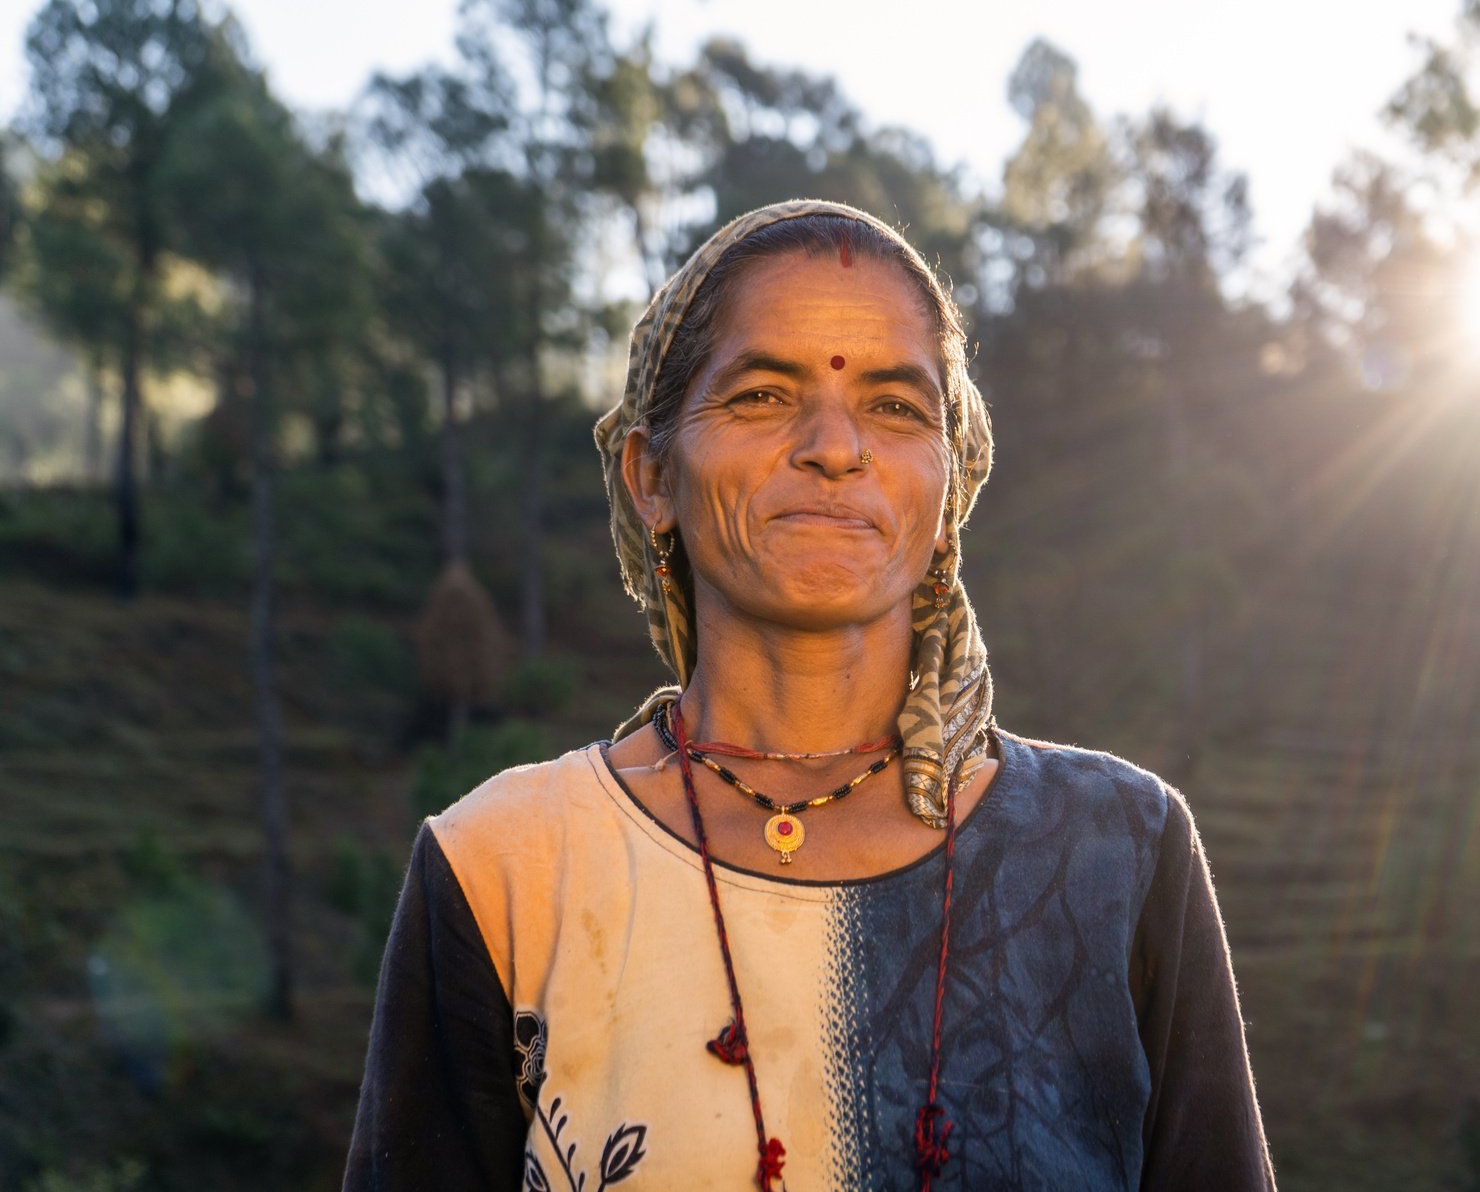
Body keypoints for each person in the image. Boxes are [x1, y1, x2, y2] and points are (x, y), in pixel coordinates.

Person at [343, 200, 1276, 1191]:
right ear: (651, 473)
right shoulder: (505, 869)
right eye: (759, 395)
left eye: (896, 405)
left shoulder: (1118, 855)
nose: (836, 447)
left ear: (948, 482)